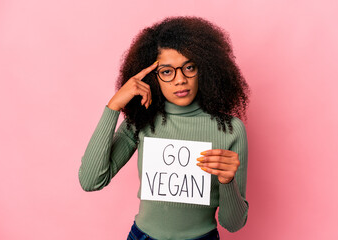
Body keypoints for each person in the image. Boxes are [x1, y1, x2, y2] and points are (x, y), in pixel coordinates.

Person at [79, 16, 250, 240]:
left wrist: (227, 183)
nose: (180, 80)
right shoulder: (142, 121)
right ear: (153, 76)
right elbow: (91, 181)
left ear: (205, 68)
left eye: (189, 67)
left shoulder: (231, 130)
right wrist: (113, 107)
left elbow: (233, 224)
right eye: (167, 71)